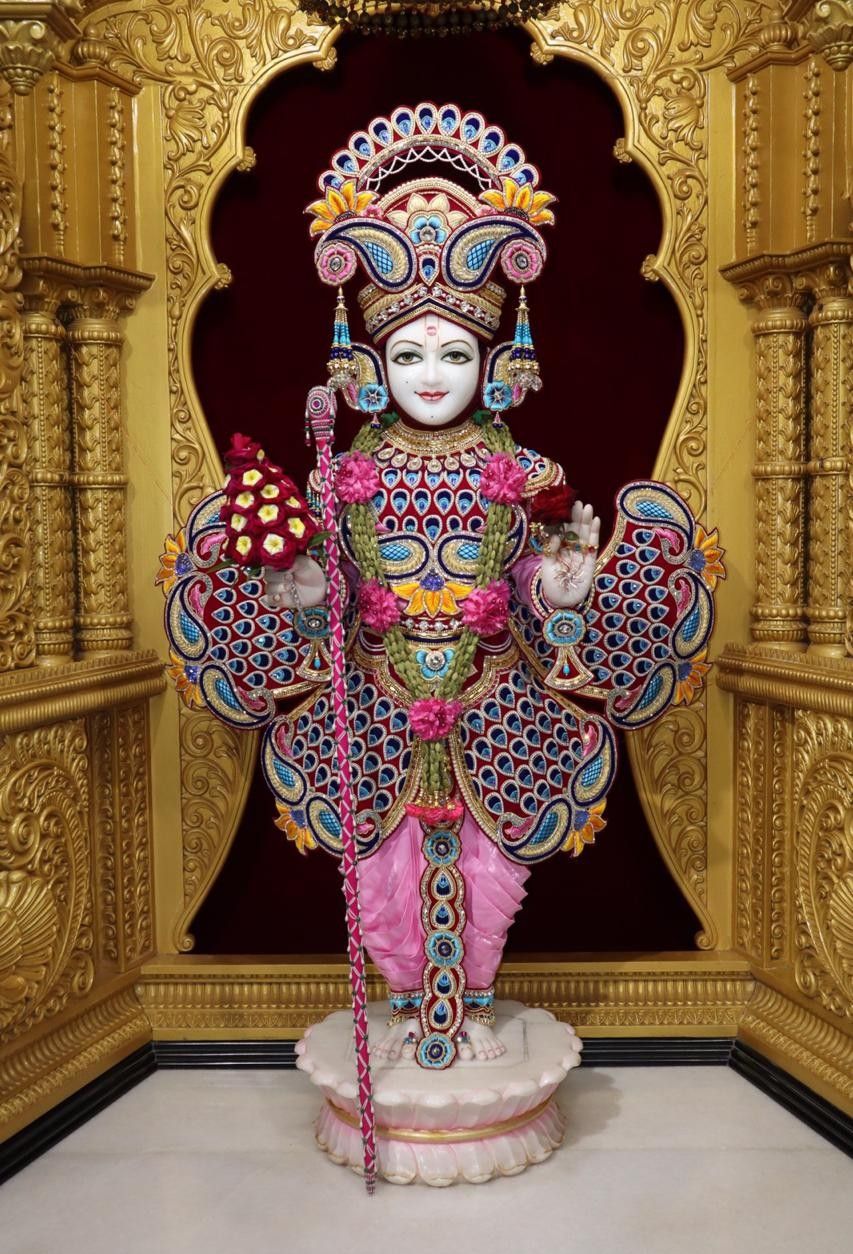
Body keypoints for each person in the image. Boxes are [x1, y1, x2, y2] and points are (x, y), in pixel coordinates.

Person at [160, 103, 722, 1071]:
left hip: (494, 706)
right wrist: (301, 587)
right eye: (409, 353)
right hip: (378, 711)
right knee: (381, 879)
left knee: (489, 874)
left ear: (494, 358)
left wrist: (567, 578)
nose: (431, 374)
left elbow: (544, 585)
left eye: (454, 352)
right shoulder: (345, 471)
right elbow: (319, 592)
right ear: (369, 359)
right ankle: (410, 1006)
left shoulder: (525, 467)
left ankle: (470, 1008)